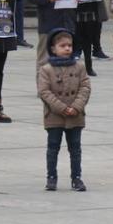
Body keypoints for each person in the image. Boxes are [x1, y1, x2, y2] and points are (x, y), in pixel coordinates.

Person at [38, 29, 91, 192]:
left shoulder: (79, 66)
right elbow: (44, 92)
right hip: (54, 115)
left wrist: (76, 107)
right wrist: (62, 108)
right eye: (63, 46)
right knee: (53, 147)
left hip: (75, 115)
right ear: (53, 49)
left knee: (75, 148)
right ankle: (51, 177)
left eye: (70, 45)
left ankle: (76, 177)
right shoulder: (46, 69)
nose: (67, 48)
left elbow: (85, 87)